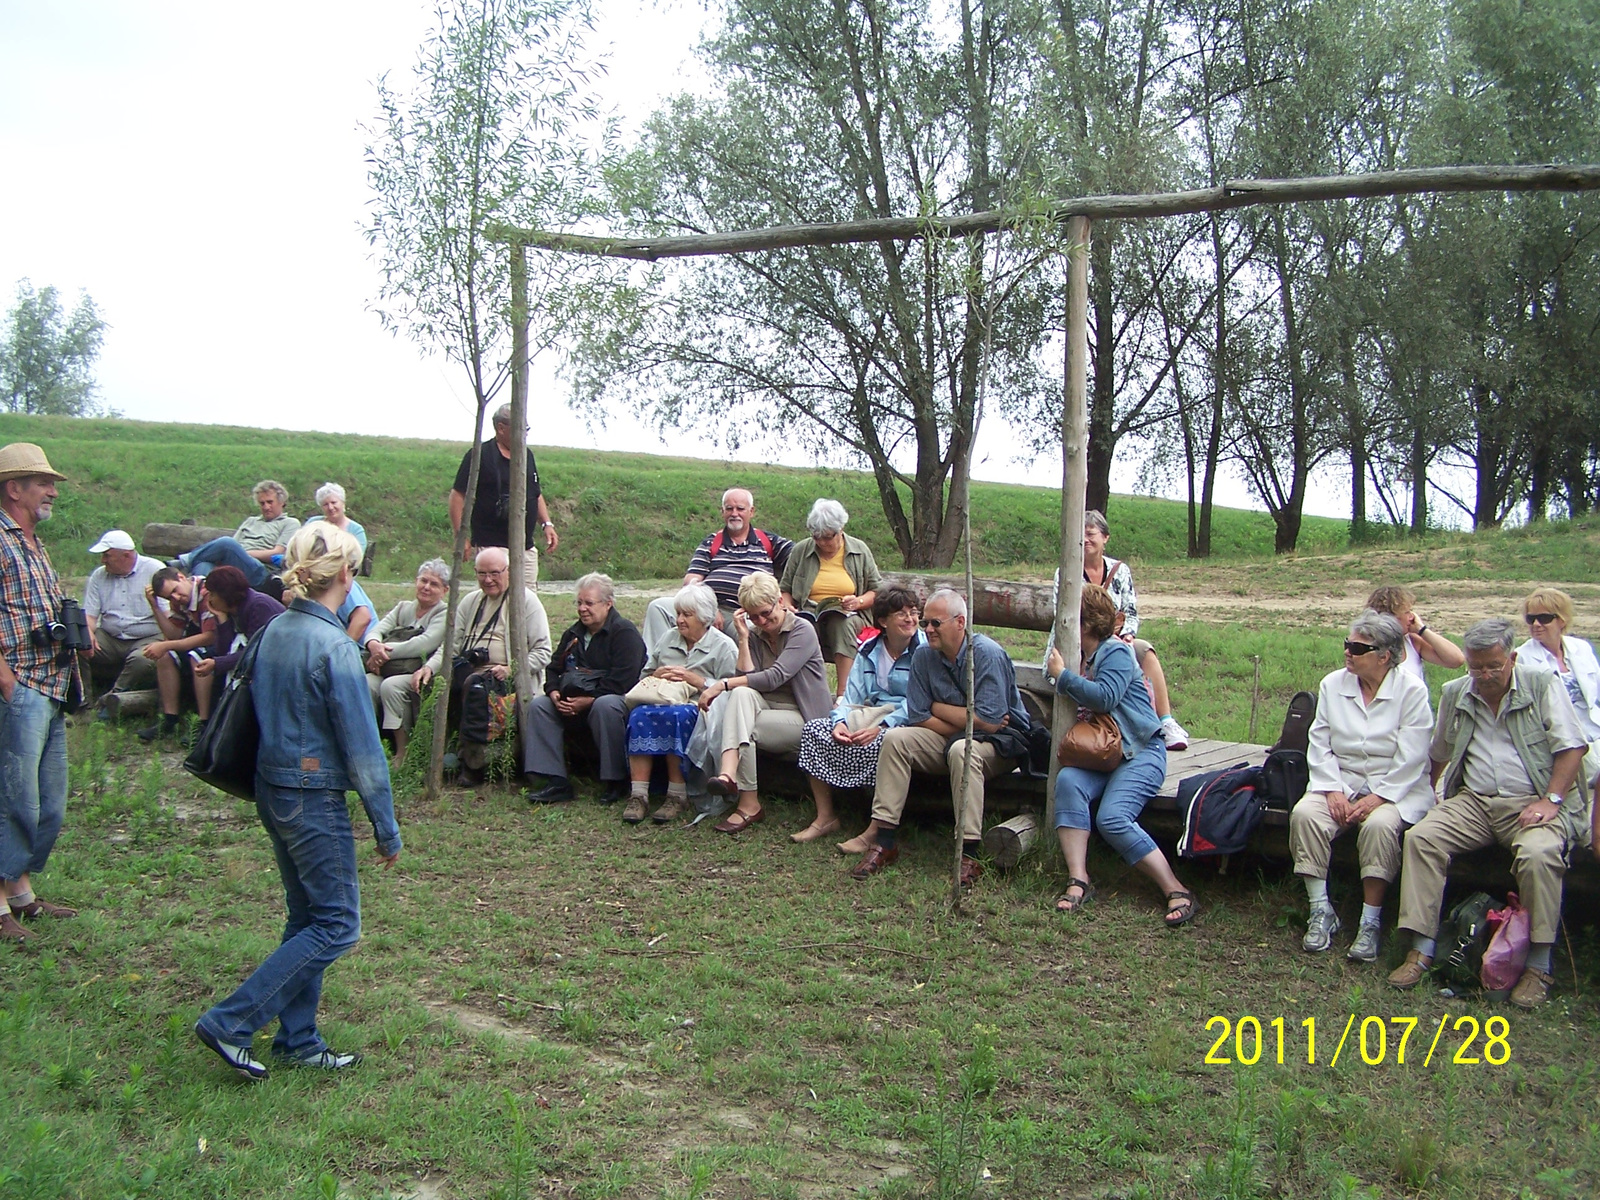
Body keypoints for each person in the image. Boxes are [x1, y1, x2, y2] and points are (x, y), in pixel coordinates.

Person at [192, 523, 401, 1079]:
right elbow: (363, 750)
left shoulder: (275, 628)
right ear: (347, 574)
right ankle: (232, 1022)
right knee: (338, 924)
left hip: (272, 786)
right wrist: (387, 826)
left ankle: (299, 1040)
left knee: (306, 916)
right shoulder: (334, 645)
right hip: (310, 796)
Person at [1388, 618, 1589, 1009]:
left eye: (1493, 666)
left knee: (1539, 854)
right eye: (1475, 667)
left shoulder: (1541, 685)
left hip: (1532, 799)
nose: (1484, 675)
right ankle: (1421, 948)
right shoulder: (1456, 693)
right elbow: (1439, 753)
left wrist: (1551, 800)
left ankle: (1537, 964)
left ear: (1511, 659)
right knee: (1422, 837)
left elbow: (1572, 748)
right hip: (1476, 800)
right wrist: (1428, 795)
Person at [844, 588, 1030, 886]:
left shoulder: (986, 654)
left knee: (962, 750)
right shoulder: (923, 656)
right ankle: (885, 838)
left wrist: (938, 707)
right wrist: (968, 717)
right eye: (925, 622)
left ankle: (969, 851)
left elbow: (993, 723)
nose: (927, 629)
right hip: (951, 736)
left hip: (1001, 744)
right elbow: (918, 715)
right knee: (896, 739)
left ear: (960, 622)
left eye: (935, 623)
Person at [1046, 585, 1196, 926]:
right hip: (1105, 752)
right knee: (1068, 780)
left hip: (1142, 750)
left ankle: (1176, 888)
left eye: (1066, 615)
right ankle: (1079, 878)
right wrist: (1063, 671)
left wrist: (1063, 676)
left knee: (1112, 817)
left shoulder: (1114, 651)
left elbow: (1105, 697)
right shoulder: (1077, 653)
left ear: (1083, 622)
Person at [1291, 610, 1434, 961]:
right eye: (1347, 644)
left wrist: (1379, 797)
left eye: (1358, 647)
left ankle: (1370, 921)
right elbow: (1320, 742)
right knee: (1306, 815)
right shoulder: (1332, 684)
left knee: (1381, 826)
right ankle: (1320, 909)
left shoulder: (1412, 691)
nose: (1348, 653)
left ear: (1385, 655)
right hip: (1342, 782)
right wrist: (1332, 788)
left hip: (1395, 787)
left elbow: (1413, 756)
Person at [0, 443, 81, 944]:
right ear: (14, 489)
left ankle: (22, 894)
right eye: (42, 483)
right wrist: (5, 678)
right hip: (19, 685)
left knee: (48, 803)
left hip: (52, 683)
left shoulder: (32, 541)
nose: (52, 491)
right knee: (12, 800)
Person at [697, 571, 831, 833]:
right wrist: (744, 638)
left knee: (742, 723)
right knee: (741, 695)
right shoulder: (756, 633)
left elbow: (774, 677)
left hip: (804, 716)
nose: (761, 620)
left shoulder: (802, 630)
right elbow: (746, 679)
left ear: (780, 601)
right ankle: (728, 776)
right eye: (753, 615)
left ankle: (746, 801)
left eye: (765, 612)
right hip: (767, 709)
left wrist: (721, 685)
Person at [1044, 510, 1190, 750]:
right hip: (1079, 641)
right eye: (1082, 536)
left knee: (1144, 650)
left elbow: (1131, 611)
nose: (1086, 540)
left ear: (1105, 538)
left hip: (1114, 640)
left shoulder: (1120, 570)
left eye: (1091, 534)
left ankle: (1165, 721)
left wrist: (1127, 635)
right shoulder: (1066, 573)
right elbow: (1065, 619)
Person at [793, 587, 923, 843]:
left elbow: (920, 702)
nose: (910, 619)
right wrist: (839, 721)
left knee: (885, 743)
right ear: (883, 621)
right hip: (872, 713)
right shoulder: (869, 650)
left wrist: (884, 725)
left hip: (907, 718)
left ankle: (876, 827)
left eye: (914, 612)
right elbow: (851, 696)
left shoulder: (925, 651)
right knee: (814, 730)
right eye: (902, 614)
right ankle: (825, 816)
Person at [413, 547, 551, 784]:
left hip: (506, 676)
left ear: (509, 571)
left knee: (474, 686)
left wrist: (512, 668)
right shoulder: (470, 601)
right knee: (432, 685)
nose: (488, 580)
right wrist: (430, 667)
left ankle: (473, 763)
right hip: (469, 670)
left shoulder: (526, 601)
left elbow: (544, 652)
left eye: (495, 573)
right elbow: (451, 647)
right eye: (481, 574)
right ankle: (434, 756)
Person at [523, 573, 648, 805]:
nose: (582, 609)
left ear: (608, 604)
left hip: (614, 702)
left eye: (589, 603)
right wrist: (554, 693)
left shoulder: (624, 633)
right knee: (540, 705)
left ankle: (616, 780)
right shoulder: (573, 633)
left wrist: (589, 699)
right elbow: (553, 668)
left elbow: (625, 681)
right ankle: (555, 779)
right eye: (579, 603)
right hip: (574, 701)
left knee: (606, 705)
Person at [622, 584, 737, 824]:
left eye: (687, 614)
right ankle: (639, 794)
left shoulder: (723, 646)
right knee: (639, 715)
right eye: (678, 614)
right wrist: (658, 673)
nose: (680, 620)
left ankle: (677, 795)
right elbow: (645, 677)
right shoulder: (668, 638)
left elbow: (732, 689)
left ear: (704, 617)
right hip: (661, 698)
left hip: (701, 707)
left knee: (678, 715)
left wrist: (697, 681)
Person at [641, 489, 793, 648]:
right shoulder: (712, 542)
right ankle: (655, 666)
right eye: (729, 509)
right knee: (658, 607)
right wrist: (709, 608)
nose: (734, 513)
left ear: (751, 511)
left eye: (740, 508)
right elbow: (691, 581)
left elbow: (800, 557)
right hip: (709, 608)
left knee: (750, 635)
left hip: (748, 612)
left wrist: (786, 595)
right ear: (722, 512)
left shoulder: (769, 541)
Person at [780, 499, 882, 699]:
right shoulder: (801, 550)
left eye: (828, 537)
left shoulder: (859, 550)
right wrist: (787, 605)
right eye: (817, 537)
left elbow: (877, 591)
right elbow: (785, 589)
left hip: (850, 615)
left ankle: (844, 694)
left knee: (841, 623)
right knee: (802, 625)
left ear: (841, 529)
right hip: (809, 612)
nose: (822, 543)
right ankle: (806, 693)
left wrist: (858, 601)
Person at [450, 402, 558, 587]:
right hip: (492, 543)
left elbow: (535, 493)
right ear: (501, 428)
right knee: (497, 596)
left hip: (524, 545)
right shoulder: (480, 455)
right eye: (521, 428)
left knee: (527, 598)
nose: (525, 433)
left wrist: (546, 524)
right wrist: (461, 535)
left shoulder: (527, 455)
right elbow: (458, 495)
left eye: (527, 428)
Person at [365, 559, 452, 758]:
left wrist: (382, 653)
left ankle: (402, 752)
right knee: (367, 683)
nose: (426, 587)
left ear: (445, 590)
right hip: (390, 667)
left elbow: (424, 643)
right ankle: (371, 745)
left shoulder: (443, 613)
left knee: (391, 686)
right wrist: (373, 645)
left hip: (420, 672)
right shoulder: (403, 607)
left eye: (434, 584)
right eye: (423, 581)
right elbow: (376, 630)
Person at [81, 528, 165, 704]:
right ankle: (83, 700)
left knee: (142, 660)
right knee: (78, 644)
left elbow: (167, 614)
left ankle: (112, 696)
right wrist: (87, 632)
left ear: (126, 556)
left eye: (107, 555)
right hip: (110, 636)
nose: (103, 560)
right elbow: (90, 615)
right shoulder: (99, 575)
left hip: (148, 636)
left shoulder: (155, 570)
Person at [137, 566, 219, 742]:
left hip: (225, 644)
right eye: (169, 597)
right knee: (165, 655)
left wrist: (167, 644)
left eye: (175, 590)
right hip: (203, 642)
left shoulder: (206, 592)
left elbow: (210, 636)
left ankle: (204, 722)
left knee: (197, 657)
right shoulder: (180, 600)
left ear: (182, 577)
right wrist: (155, 607)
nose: (175, 598)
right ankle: (170, 720)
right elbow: (174, 634)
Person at [1514, 587, 1600, 749]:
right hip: (1563, 740)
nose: (1536, 624)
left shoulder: (1581, 648)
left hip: (1594, 729)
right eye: (1531, 619)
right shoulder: (1521, 657)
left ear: (1562, 620)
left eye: (1544, 618)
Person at [177, 480, 302, 590]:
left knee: (227, 543)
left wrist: (240, 553)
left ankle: (185, 561)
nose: (266, 507)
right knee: (204, 566)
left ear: (282, 502)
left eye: (270, 502)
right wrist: (235, 553)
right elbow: (234, 544)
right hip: (234, 565)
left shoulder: (290, 523)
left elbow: (277, 553)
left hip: (260, 572)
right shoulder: (251, 521)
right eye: (262, 503)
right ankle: (199, 606)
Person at [195, 566, 284, 688]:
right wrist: (222, 620)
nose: (209, 599)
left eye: (212, 594)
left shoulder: (259, 606)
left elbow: (255, 652)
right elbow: (224, 651)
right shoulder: (230, 610)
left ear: (224, 594)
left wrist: (217, 663)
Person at [1365, 585, 1466, 679]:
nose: (1412, 616)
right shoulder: (1365, 644)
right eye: (1407, 612)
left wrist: (1422, 630)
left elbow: (1456, 660)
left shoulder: (1412, 641)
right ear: (1391, 617)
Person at [304, 482, 368, 552]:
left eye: (333, 502)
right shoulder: (313, 523)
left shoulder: (356, 530)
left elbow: (356, 556)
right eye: (325, 504)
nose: (330, 507)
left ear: (343, 503)